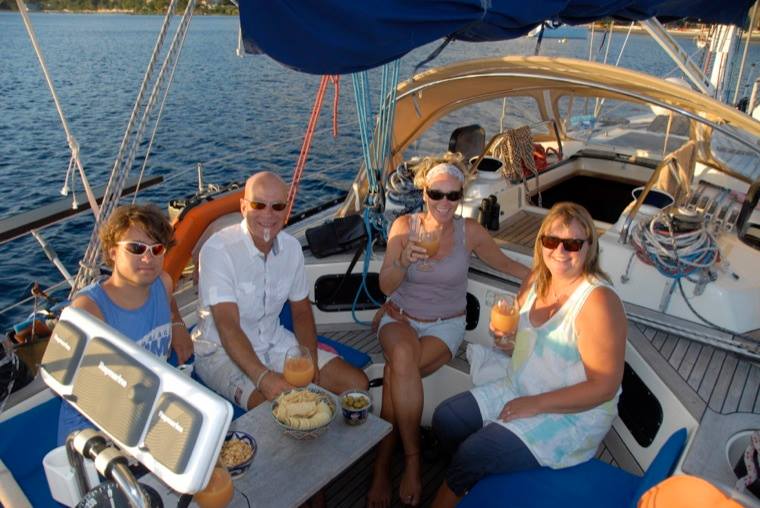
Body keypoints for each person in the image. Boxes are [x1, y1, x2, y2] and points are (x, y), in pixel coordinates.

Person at [430, 202, 627, 507]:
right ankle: (471, 480)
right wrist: (506, 341)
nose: (559, 251)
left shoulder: (597, 301)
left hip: (572, 416)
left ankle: (460, 481)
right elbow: (523, 345)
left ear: (589, 248)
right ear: (541, 243)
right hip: (521, 387)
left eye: (572, 244)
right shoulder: (536, 280)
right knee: (447, 419)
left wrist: (534, 404)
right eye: (551, 240)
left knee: (474, 452)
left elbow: (604, 387)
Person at [367, 153, 530, 507]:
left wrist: (542, 277)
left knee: (398, 371)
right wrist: (402, 261)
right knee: (402, 357)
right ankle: (412, 461)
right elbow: (385, 285)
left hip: (445, 325)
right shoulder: (404, 228)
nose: (444, 202)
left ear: (461, 197)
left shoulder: (469, 232)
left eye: (452, 195)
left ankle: (382, 465)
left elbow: (505, 263)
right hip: (399, 317)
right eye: (436, 194)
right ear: (424, 193)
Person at [195, 171, 368, 411]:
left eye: (277, 206)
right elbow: (227, 325)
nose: (268, 214)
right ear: (243, 207)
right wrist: (262, 377)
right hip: (222, 354)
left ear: (287, 211)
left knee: (356, 383)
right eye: (258, 205)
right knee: (278, 411)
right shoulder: (218, 250)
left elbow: (301, 311)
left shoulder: (292, 248)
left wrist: (310, 360)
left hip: (274, 341)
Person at [57, 204, 194, 444]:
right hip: (94, 436)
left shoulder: (162, 283)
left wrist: (177, 325)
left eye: (156, 249)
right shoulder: (88, 310)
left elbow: (170, 303)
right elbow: (67, 384)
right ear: (113, 253)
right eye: (136, 248)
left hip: (145, 418)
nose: (148, 258)